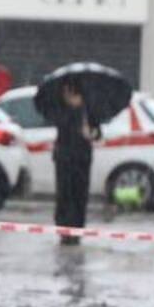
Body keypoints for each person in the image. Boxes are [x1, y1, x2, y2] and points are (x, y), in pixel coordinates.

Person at [51, 80, 100, 245]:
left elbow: (97, 132)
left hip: (82, 159)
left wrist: (91, 133)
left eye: (71, 93)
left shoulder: (88, 110)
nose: (68, 96)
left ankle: (77, 230)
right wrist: (73, 111)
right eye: (65, 93)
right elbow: (62, 126)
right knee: (64, 194)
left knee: (80, 194)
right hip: (64, 158)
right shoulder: (61, 110)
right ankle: (64, 229)